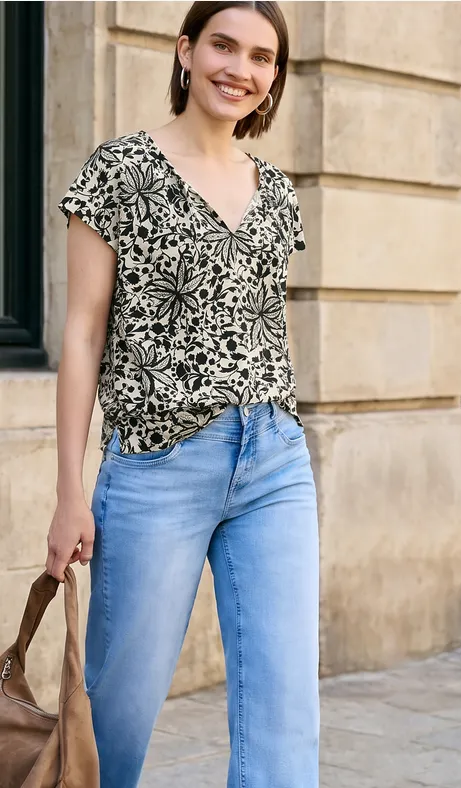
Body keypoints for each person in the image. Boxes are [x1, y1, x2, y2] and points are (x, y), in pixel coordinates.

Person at [46, 2, 319, 786]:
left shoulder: (278, 193)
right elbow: (80, 337)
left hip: (273, 462)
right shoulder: (118, 170)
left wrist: (283, 425)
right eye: (223, 46)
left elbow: (268, 325)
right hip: (158, 465)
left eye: (262, 57)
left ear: (273, 80)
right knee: (114, 718)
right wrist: (71, 493)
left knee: (284, 714)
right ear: (185, 51)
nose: (240, 68)